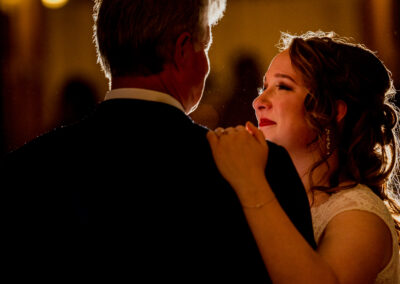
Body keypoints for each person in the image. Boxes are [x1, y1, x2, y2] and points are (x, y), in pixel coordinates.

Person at [1, 1, 316, 282]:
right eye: (204, 48)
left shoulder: (24, 169)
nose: (207, 66)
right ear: (182, 50)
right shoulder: (261, 168)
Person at [207, 31, 400, 283]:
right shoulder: (281, 195)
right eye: (264, 87)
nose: (258, 102)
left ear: (332, 111)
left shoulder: (361, 216)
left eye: (283, 86)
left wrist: (249, 182)